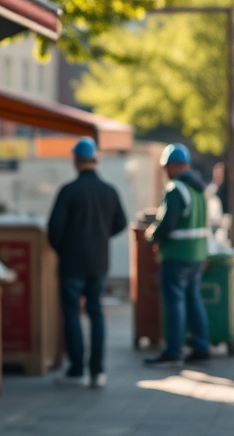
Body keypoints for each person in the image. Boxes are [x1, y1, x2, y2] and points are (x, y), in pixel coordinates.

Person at [46, 137, 127, 389]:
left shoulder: (68, 191)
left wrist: (64, 248)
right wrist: (102, 236)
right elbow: (121, 223)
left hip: (72, 262)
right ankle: (98, 372)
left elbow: (54, 230)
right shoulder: (109, 191)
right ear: (95, 159)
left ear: (76, 160)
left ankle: (77, 370)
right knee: (96, 314)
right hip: (99, 261)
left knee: (72, 315)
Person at [143, 143, 211, 367]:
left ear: (173, 166)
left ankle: (173, 351)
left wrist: (152, 235)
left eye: (165, 167)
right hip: (197, 254)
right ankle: (201, 347)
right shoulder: (199, 189)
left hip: (177, 255)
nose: (164, 172)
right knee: (194, 300)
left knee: (175, 303)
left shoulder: (175, 189)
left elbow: (167, 223)